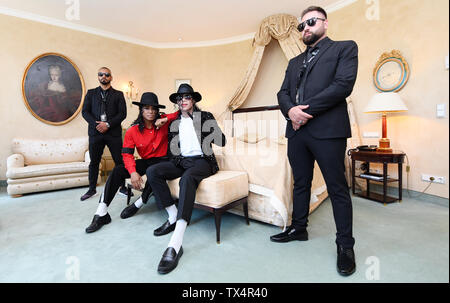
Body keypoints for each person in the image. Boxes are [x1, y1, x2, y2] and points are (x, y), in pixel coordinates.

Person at [273, 6, 359, 276]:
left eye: (310, 22)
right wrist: (290, 111)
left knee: (337, 188)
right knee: (301, 183)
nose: (305, 28)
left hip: (328, 130)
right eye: (301, 26)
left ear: (325, 23)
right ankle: (299, 229)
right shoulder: (294, 62)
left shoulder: (344, 48)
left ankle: (345, 245)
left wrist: (303, 112)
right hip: (296, 132)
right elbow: (282, 92)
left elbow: (343, 85)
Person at [146, 84, 226, 274]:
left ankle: (175, 243)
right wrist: (182, 162)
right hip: (183, 162)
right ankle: (172, 215)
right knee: (153, 171)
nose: (183, 100)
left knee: (187, 179)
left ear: (193, 100)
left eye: (187, 97)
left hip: (203, 161)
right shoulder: (174, 124)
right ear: (177, 102)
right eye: (180, 98)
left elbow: (222, 141)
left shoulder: (205, 116)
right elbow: (173, 153)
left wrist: (204, 126)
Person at [85, 92, 178, 233]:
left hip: (164, 161)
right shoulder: (132, 131)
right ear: (141, 110)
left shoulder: (164, 122)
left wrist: (164, 118)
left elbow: (180, 113)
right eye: (147, 108)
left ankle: (138, 203)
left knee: (153, 172)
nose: (151, 112)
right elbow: (127, 155)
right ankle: (101, 212)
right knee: (118, 170)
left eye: (154, 109)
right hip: (147, 161)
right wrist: (133, 172)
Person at [81, 67, 127, 201]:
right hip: (95, 134)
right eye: (101, 74)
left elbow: (122, 114)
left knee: (119, 161)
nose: (104, 77)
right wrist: (97, 125)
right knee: (94, 162)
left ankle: (122, 187)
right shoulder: (90, 93)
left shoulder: (119, 94)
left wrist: (107, 124)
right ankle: (91, 189)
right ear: (98, 77)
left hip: (113, 133)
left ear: (111, 77)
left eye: (107, 75)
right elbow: (85, 112)